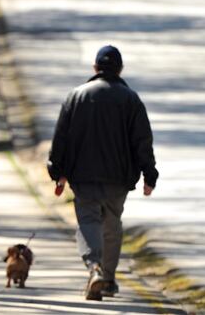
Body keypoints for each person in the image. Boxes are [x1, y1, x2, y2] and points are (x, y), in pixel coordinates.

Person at [47, 45, 158, 301]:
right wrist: (149, 174)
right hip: (118, 179)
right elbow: (142, 141)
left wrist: (58, 171)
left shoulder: (76, 96)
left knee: (88, 222)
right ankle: (107, 280)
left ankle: (93, 268)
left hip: (83, 177)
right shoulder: (131, 99)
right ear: (119, 69)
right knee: (112, 224)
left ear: (95, 68)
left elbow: (60, 138)